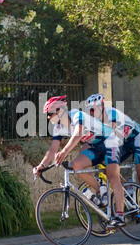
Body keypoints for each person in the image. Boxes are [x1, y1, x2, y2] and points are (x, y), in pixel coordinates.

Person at [33, 95, 126, 228]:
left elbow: (78, 134)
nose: (48, 117)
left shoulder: (77, 115)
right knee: (76, 165)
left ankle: (120, 216)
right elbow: (53, 149)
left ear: (60, 110)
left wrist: (64, 151)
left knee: (112, 176)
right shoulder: (58, 128)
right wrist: (41, 165)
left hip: (110, 142)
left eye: (50, 113)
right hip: (95, 147)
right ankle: (102, 191)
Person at [85, 93, 140, 220]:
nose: (92, 113)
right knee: (108, 164)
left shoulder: (111, 113)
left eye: (94, 109)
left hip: (136, 139)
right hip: (123, 142)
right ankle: (126, 186)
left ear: (102, 106)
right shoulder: (95, 120)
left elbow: (111, 132)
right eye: (90, 110)